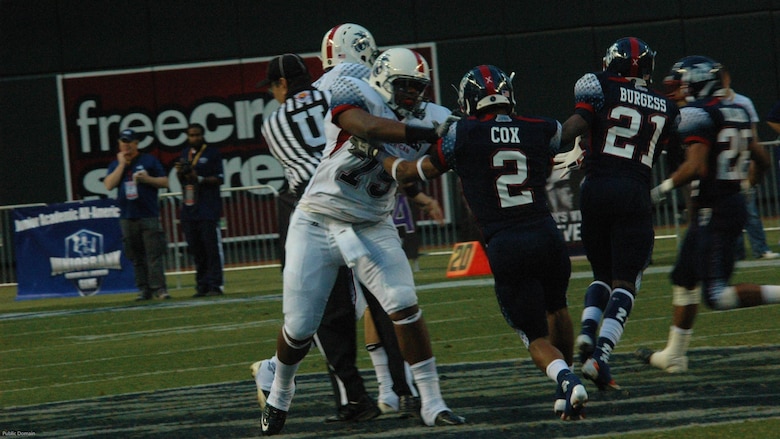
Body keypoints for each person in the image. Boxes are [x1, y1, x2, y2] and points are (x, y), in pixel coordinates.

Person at [349, 64, 590, 420]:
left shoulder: (462, 133)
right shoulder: (540, 128)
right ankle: (563, 389)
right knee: (557, 308)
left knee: (534, 336)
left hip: (506, 242)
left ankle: (566, 379)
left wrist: (376, 155)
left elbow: (416, 172)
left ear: (468, 100)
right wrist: (591, 107)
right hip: (547, 235)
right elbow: (568, 132)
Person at [258, 47, 464, 436]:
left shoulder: (432, 117)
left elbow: (411, 172)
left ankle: (433, 402)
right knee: (301, 325)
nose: (411, 95)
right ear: (383, 79)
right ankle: (280, 392)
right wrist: (431, 135)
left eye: (417, 88)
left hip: (372, 223)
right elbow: (366, 127)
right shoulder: (357, 94)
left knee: (403, 303)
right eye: (404, 86)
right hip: (317, 221)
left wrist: (451, 149)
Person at [635, 56, 780, 372]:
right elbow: (763, 159)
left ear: (697, 83)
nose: (680, 90)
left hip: (716, 211)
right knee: (685, 279)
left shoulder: (698, 113)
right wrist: (745, 186)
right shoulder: (738, 110)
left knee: (716, 295)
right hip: (722, 206)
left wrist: (658, 192)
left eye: (684, 83)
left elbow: (696, 166)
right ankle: (675, 354)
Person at [554, 37, 680, 390]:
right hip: (633, 191)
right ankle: (600, 355)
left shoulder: (598, 83)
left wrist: (548, 142)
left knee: (601, 274)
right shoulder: (668, 108)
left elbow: (579, 124)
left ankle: (586, 334)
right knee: (625, 281)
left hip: (595, 189)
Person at [718, 67, 778, 260]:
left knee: (749, 208)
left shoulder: (743, 102)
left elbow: (753, 133)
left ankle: (760, 248)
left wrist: (753, 158)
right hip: (725, 163)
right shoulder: (715, 104)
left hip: (742, 160)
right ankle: (737, 253)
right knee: (731, 210)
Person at [104, 128, 170, 301]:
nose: (126, 145)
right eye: (123, 142)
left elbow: (164, 182)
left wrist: (146, 179)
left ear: (136, 143)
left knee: (153, 254)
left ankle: (159, 289)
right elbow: (109, 185)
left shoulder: (148, 161)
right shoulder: (116, 164)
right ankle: (144, 289)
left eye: (129, 142)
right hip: (127, 215)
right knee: (136, 256)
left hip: (148, 214)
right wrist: (121, 165)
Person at [175, 123, 225, 297]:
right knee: (196, 250)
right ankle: (201, 284)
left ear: (203, 135)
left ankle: (215, 284)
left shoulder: (212, 153)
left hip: (208, 208)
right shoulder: (184, 153)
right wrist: (180, 173)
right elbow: (184, 181)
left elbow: (220, 178)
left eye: (197, 135)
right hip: (190, 208)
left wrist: (200, 178)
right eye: (191, 135)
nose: (194, 138)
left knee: (211, 248)